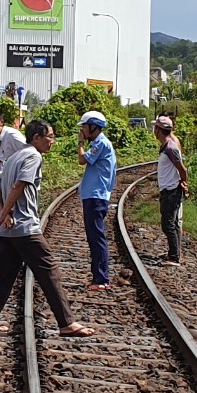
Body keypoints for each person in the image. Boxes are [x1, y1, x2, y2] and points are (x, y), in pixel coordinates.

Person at [0, 118, 94, 339]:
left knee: (4, 278)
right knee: (49, 270)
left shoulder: (12, 157)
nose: (52, 142)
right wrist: (4, 215)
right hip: (25, 227)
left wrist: (4, 215)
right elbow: (20, 185)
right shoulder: (32, 155)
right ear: (36, 138)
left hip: (11, 230)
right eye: (50, 137)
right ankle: (66, 323)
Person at [75, 110, 117, 287]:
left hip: (96, 196)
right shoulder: (101, 143)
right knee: (94, 237)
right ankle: (98, 276)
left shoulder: (100, 143)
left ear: (93, 127)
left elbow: (82, 160)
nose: (82, 130)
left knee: (97, 237)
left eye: (84, 127)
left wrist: (80, 143)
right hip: (94, 195)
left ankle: (101, 279)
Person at [152, 115, 189, 263]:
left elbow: (182, 169)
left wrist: (183, 184)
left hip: (172, 191)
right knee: (170, 224)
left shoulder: (170, 147)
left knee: (169, 225)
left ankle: (174, 257)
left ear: (158, 130)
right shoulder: (166, 146)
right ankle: (173, 253)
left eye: (155, 128)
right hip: (168, 190)